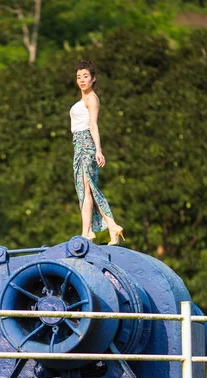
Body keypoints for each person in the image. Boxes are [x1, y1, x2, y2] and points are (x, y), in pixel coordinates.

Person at [70, 60, 124, 245]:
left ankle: (96, 229)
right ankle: (93, 230)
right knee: (84, 190)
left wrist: (98, 150)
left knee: (88, 187)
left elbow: (93, 125)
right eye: (79, 77)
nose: (82, 80)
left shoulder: (92, 98)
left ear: (93, 79)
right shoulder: (81, 100)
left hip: (86, 143)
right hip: (78, 145)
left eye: (85, 76)